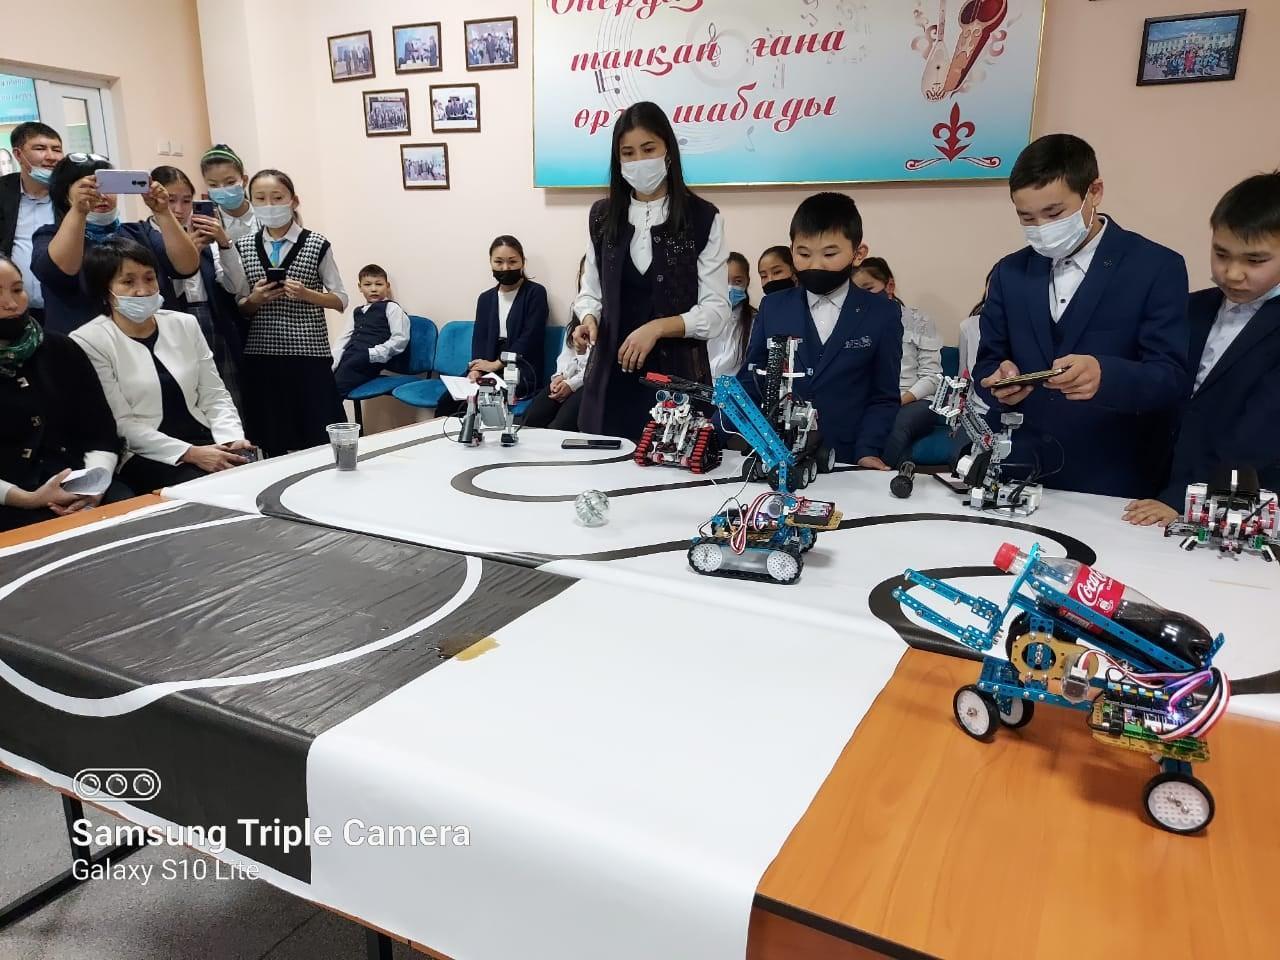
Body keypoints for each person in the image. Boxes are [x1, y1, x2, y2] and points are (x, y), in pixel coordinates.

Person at [974, 134, 1189, 498]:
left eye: (1054, 213)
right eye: (1026, 217)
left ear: (1094, 192)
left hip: (1110, 476)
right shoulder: (1010, 272)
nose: (1041, 228)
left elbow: (1170, 378)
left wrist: (1106, 375)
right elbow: (987, 362)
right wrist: (999, 381)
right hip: (1017, 470)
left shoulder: (1155, 267)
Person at [1124, 172, 1280, 526]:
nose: (1233, 273)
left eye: (1255, 261)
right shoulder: (1190, 308)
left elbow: (1260, 433)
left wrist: (1185, 496)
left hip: (1236, 504)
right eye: (1221, 254)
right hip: (1152, 490)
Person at [573, 101, 730, 441]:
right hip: (610, 385)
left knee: (671, 465)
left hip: (676, 389)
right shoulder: (602, 217)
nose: (639, 161)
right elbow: (590, 293)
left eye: (648, 149)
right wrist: (588, 320)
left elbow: (717, 312)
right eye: (628, 153)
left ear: (668, 151)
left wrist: (658, 328)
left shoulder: (703, 218)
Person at [70, 238, 251, 492]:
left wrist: (232, 439)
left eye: (149, 278)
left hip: (207, 439)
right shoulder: (90, 339)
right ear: (104, 290)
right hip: (146, 453)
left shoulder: (184, 324)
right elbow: (121, 423)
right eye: (128, 282)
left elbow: (214, 394)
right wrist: (190, 453)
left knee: (253, 477)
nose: (143, 290)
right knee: (207, 488)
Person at [741, 192, 902, 469]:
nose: (815, 265)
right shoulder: (773, 307)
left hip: (846, 457)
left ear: (858, 254)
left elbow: (884, 395)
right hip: (778, 452)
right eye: (804, 254)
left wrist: (868, 449)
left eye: (829, 254)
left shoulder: (882, 313)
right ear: (792, 250)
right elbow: (751, 378)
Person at [0, 252, 129, 531]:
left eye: (18, 290)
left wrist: (94, 486)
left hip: (78, 481)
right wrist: (29, 499)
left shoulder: (60, 349)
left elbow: (101, 432)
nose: (11, 303)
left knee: (129, 516)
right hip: (10, 497)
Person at [232, 168, 346, 457]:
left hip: (309, 354)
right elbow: (240, 306)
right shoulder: (243, 246)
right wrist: (255, 299)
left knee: (318, 438)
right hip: (262, 355)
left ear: (293, 200)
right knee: (270, 439)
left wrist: (307, 294)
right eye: (260, 199)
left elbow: (340, 300)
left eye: (277, 197)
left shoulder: (316, 244)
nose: (269, 205)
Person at [32, 154, 199, 335]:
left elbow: (186, 266)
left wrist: (163, 212)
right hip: (81, 343)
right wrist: (79, 210)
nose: (102, 195)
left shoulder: (139, 231)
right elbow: (58, 273)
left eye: (108, 186)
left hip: (151, 337)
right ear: (65, 195)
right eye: (90, 188)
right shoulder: (48, 236)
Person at [147, 165, 247, 412]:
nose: (179, 209)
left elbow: (236, 286)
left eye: (186, 201)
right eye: (170, 200)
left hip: (215, 323)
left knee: (229, 400)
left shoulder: (205, 235)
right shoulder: (143, 236)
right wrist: (186, 254)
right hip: (171, 326)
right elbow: (158, 291)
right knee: (187, 400)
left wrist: (224, 242)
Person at [438, 236, 549, 418]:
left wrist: (496, 364)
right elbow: (480, 338)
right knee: (447, 402)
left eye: (512, 261)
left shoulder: (535, 293)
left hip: (519, 367)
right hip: (488, 362)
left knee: (484, 401)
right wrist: (476, 369)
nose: (505, 268)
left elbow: (531, 337)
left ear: (522, 262)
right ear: (490, 263)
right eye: (499, 262)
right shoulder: (485, 298)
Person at [853, 257, 943, 467]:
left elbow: (933, 377)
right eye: (856, 293)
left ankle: (874, 475)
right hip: (874, 401)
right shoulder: (855, 325)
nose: (863, 297)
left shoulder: (919, 321)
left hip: (916, 400)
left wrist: (896, 401)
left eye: (869, 288)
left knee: (895, 425)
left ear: (889, 286)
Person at [0, 122, 64, 325]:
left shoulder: (70, 195)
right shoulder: (3, 192)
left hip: (64, 307)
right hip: (11, 309)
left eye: (57, 149)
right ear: (18, 155)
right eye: (40, 148)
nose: (51, 156)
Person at [522, 256, 591, 431]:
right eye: (585, 275)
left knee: (559, 427)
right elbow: (566, 353)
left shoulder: (613, 314)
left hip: (590, 384)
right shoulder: (578, 308)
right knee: (529, 420)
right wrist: (560, 376)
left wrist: (572, 384)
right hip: (569, 378)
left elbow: (598, 365)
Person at [332, 264, 410, 398]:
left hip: (369, 358)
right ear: (360, 287)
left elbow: (400, 339)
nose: (373, 289)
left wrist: (372, 354)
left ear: (387, 286)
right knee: (321, 381)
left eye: (379, 284)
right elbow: (343, 338)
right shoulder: (356, 311)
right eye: (367, 284)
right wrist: (333, 360)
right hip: (349, 356)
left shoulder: (391, 308)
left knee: (334, 390)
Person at [707, 251, 756, 378]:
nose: (730, 288)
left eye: (738, 281)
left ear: (747, 281)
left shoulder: (755, 321)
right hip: (702, 386)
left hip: (736, 388)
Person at [200, 144, 257, 242]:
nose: (222, 189)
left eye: (230, 182)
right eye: (213, 185)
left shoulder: (263, 216)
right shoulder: (207, 223)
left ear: (244, 180)